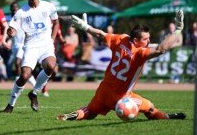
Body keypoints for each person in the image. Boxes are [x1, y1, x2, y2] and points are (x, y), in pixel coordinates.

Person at [57, 10, 186, 121]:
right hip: (122, 97)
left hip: (104, 90)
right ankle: (167, 118)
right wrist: (178, 30)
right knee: (150, 107)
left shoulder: (122, 39)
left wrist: (85, 27)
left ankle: (69, 116)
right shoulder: (139, 53)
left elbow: (100, 35)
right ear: (136, 41)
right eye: (146, 39)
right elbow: (161, 49)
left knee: (90, 113)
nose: (149, 41)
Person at [3, 0, 59, 113]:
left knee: (51, 66)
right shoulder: (21, 12)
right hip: (30, 46)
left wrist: (52, 39)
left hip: (46, 45)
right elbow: (12, 29)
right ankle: (10, 105)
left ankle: (34, 93)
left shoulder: (49, 6)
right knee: (25, 75)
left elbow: (56, 22)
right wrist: (11, 32)